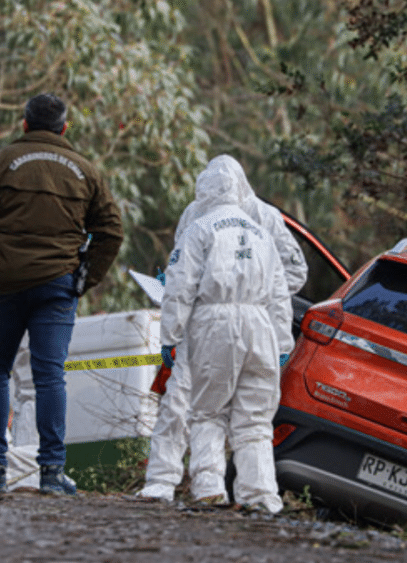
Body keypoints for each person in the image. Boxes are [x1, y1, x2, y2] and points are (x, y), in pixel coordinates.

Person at [0, 93, 123, 495]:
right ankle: (52, 472)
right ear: (65, 128)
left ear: (24, 125)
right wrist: (85, 278)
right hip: (57, 289)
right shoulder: (85, 170)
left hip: (3, 286)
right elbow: (112, 230)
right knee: (50, 377)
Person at [138, 155, 307, 502]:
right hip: (256, 326)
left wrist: (170, 335)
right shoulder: (259, 229)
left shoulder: (204, 223)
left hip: (207, 325)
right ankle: (260, 495)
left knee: (204, 411)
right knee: (254, 420)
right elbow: (278, 291)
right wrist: (280, 342)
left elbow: (179, 284)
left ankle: (207, 487)